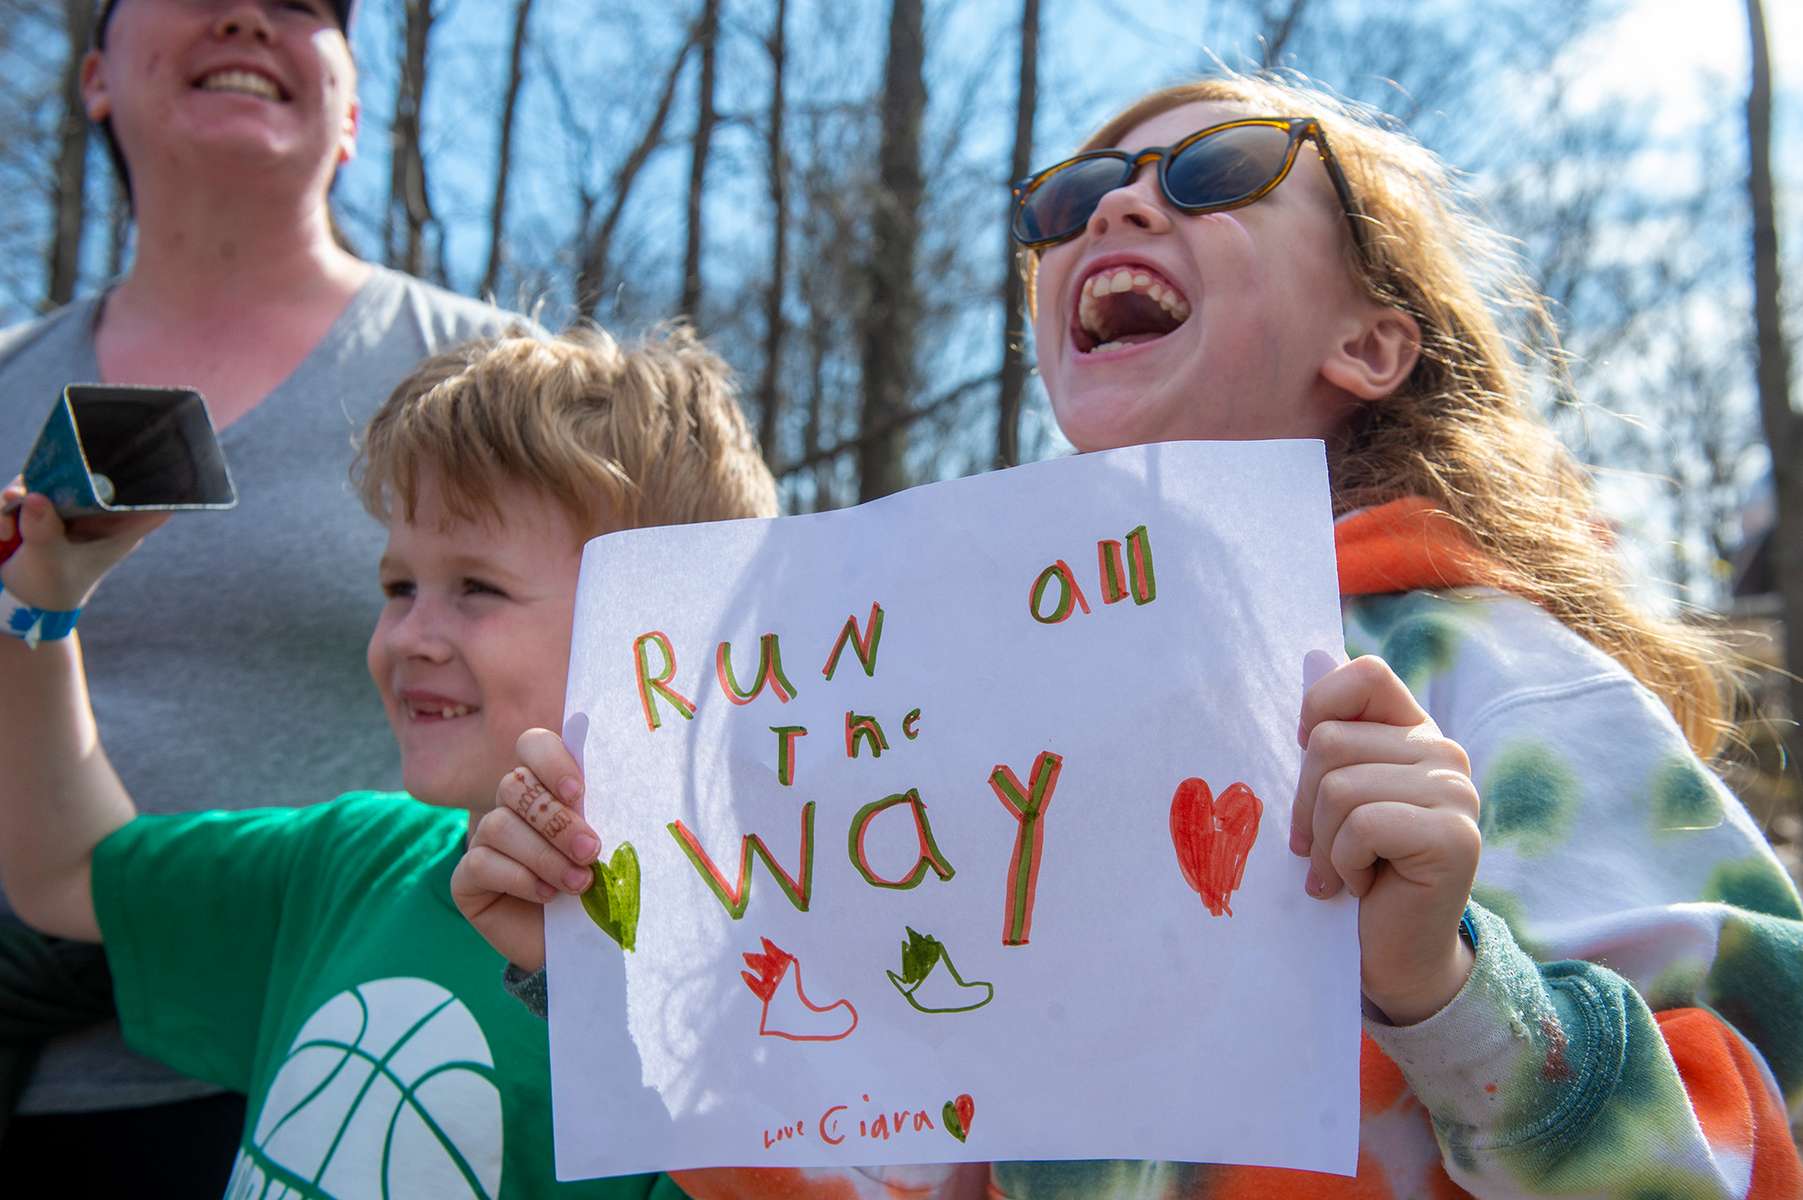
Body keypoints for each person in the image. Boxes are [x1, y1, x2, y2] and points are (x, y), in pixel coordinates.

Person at [462, 72, 1803, 1199]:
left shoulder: (1503, 675)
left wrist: (1445, 991)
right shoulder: (972, 724)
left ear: (1369, 343)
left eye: (1213, 171)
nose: (1111, 202)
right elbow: (890, 1160)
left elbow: (1757, 1139)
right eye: (1063, 199)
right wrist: (607, 967)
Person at [0, 324, 777, 1196]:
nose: (408, 636)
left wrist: (588, 994)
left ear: (661, 633)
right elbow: (64, 873)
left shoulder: (736, 1000)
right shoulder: (352, 863)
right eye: (397, 586)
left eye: (476, 588)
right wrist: (37, 609)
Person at [0, 0, 522, 1186]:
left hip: (366, 1089)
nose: (245, 14)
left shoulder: (501, 393)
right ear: (92, 78)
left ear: (351, 114)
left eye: (302, 4)